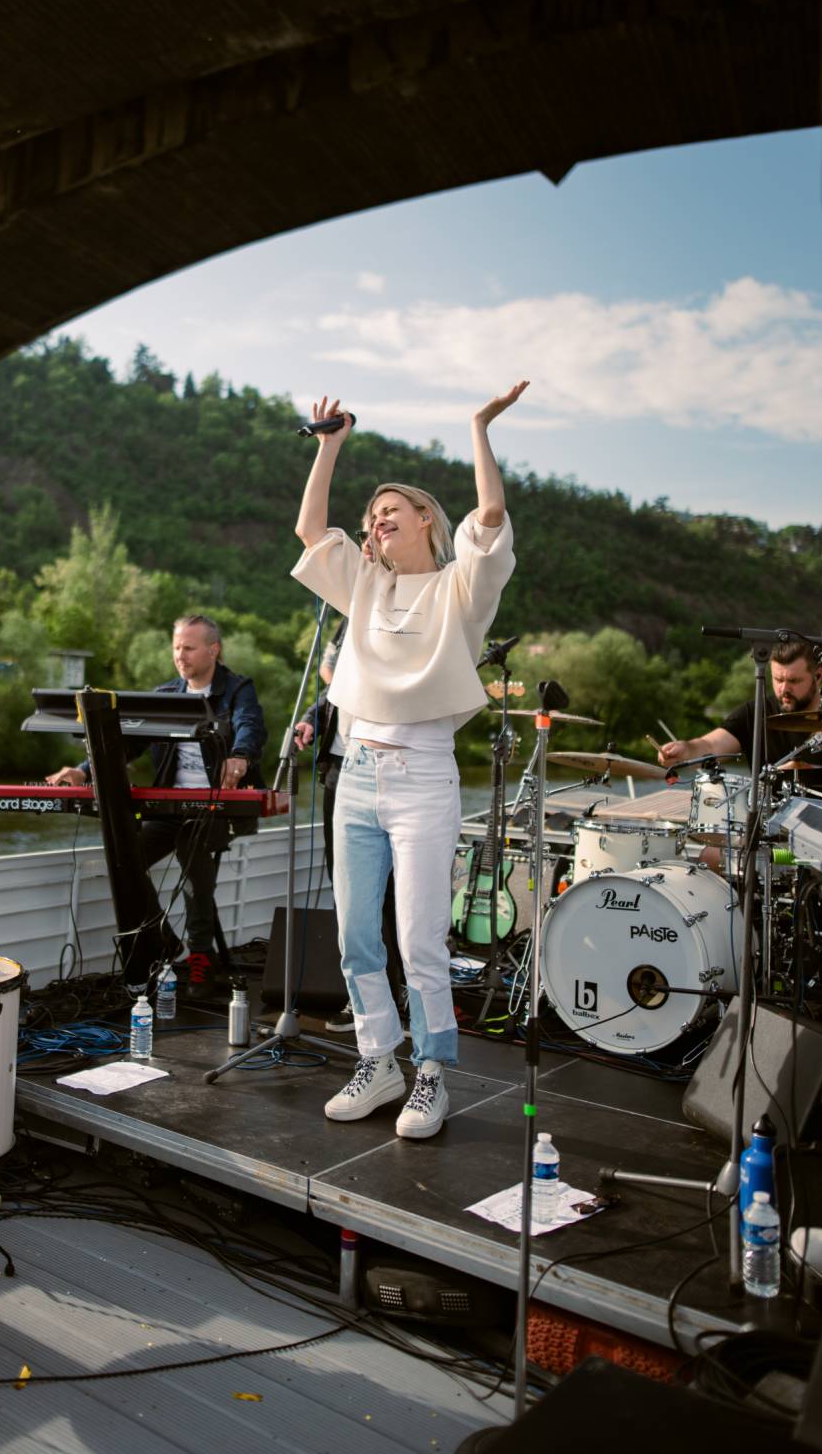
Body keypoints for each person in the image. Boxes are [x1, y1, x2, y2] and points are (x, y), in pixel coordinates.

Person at [291, 383, 526, 1139]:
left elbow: (488, 517)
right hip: (355, 772)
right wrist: (330, 446)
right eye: (371, 517)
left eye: (391, 509)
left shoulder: (460, 588)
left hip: (423, 775)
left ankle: (431, 1072)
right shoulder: (364, 586)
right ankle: (378, 1059)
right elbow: (307, 528)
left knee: (419, 937)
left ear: (425, 517)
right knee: (356, 935)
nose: (377, 520)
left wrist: (478, 426)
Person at [47, 615, 267, 996]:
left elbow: (251, 725)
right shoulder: (165, 696)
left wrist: (241, 756)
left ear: (213, 650)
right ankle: (166, 942)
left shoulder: (237, 689)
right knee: (127, 860)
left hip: (218, 809)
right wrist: (84, 771)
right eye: (176, 647)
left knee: (193, 861)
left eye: (188, 647)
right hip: (171, 809)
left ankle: (200, 961)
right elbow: (127, 744)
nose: (180, 656)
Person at [294, 622, 404, 1031]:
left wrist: (340, 672)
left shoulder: (401, 610)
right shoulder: (348, 614)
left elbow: (349, 674)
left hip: (384, 764)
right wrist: (310, 717)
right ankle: (363, 1002)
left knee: (389, 891)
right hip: (339, 770)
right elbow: (332, 684)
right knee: (346, 889)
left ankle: (395, 997)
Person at [657, 638, 822, 791]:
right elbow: (711, 744)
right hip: (766, 831)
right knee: (709, 857)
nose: (784, 689)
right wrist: (685, 749)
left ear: (819, 676)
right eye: (778, 679)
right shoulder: (754, 713)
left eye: (793, 681)